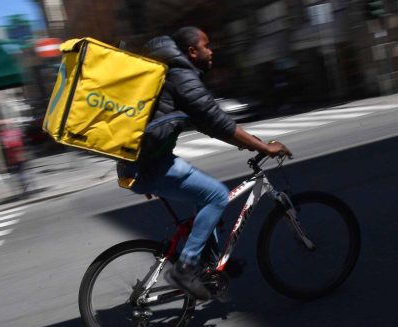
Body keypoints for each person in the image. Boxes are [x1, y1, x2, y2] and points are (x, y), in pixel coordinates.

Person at [117, 27, 292, 300]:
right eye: (206, 45)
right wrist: (264, 147)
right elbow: (217, 122)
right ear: (192, 52)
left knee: (205, 197)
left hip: (146, 162)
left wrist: (253, 141)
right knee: (217, 195)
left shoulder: (172, 74)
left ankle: (209, 264)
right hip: (150, 165)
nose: (211, 51)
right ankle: (185, 268)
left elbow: (209, 124)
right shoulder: (181, 76)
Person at [0, 119, 29, 195]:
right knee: (20, 171)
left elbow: (3, 148)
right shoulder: (16, 132)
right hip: (18, 155)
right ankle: (24, 186)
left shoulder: (2, 135)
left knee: (18, 172)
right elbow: (24, 141)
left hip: (12, 157)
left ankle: (23, 187)